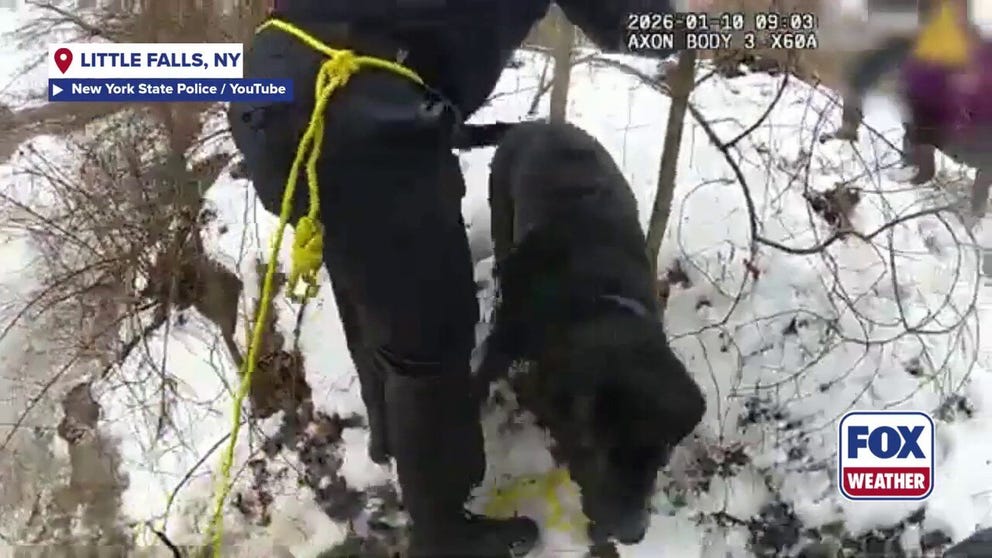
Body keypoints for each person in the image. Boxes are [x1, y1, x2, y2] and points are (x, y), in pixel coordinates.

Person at [228, 1, 683, 556]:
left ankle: (390, 432)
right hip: (359, 111)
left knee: (362, 260)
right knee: (429, 340)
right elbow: (635, 24)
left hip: (275, 87)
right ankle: (444, 531)